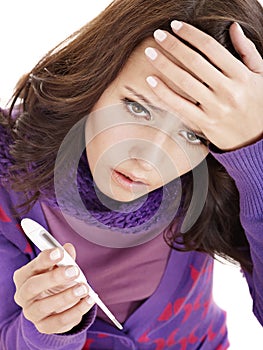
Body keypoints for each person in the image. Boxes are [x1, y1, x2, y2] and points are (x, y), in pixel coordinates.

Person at [0, 0, 262, 348]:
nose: (149, 160)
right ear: (96, 74)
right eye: (137, 107)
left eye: (193, 134)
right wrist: (49, 331)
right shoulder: (8, 175)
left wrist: (254, 153)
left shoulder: (224, 168)